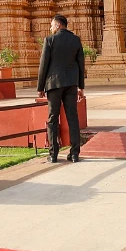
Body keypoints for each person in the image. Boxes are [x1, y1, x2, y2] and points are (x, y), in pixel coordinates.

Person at [37, 14, 85, 163]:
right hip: (71, 84)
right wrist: (81, 87)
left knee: (52, 118)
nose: (50, 28)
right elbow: (81, 65)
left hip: (54, 84)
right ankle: (75, 153)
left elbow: (43, 65)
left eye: (51, 25)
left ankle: (53, 154)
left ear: (58, 25)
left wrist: (40, 87)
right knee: (73, 118)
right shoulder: (75, 40)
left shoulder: (50, 40)